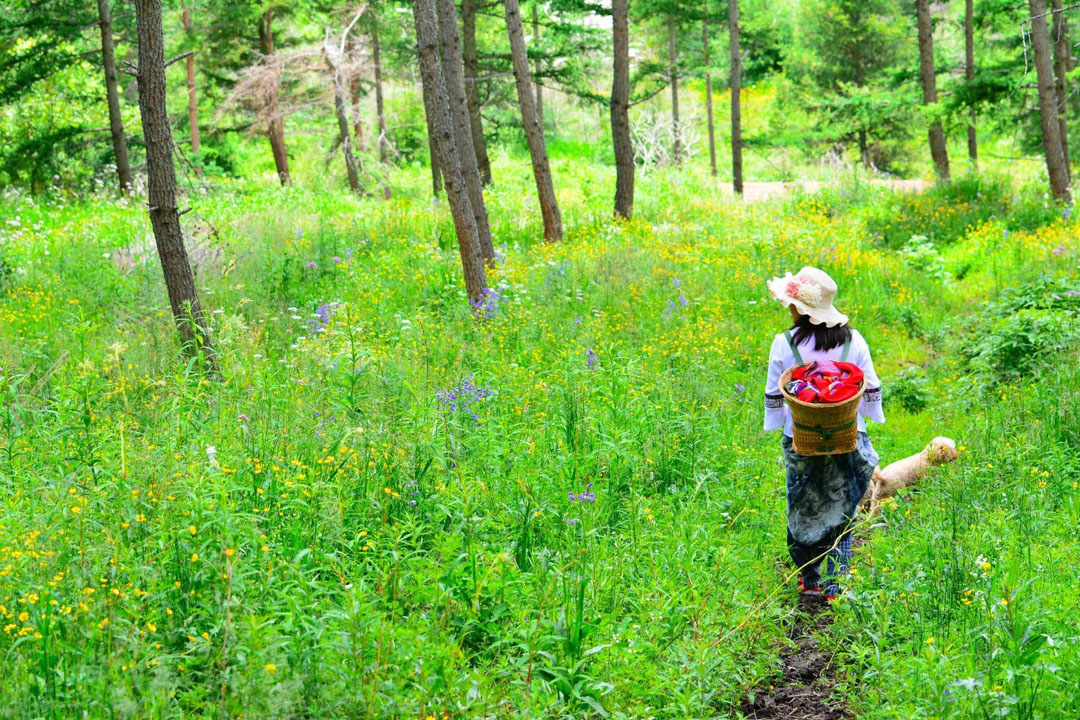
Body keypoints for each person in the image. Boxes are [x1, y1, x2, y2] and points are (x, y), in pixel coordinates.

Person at [763, 267, 884, 600]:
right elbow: (870, 387)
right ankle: (836, 583)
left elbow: (775, 394)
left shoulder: (783, 343)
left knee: (802, 504)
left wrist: (787, 419)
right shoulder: (854, 340)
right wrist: (848, 411)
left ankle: (809, 578)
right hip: (847, 437)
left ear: (797, 308)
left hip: (802, 439)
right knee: (842, 506)